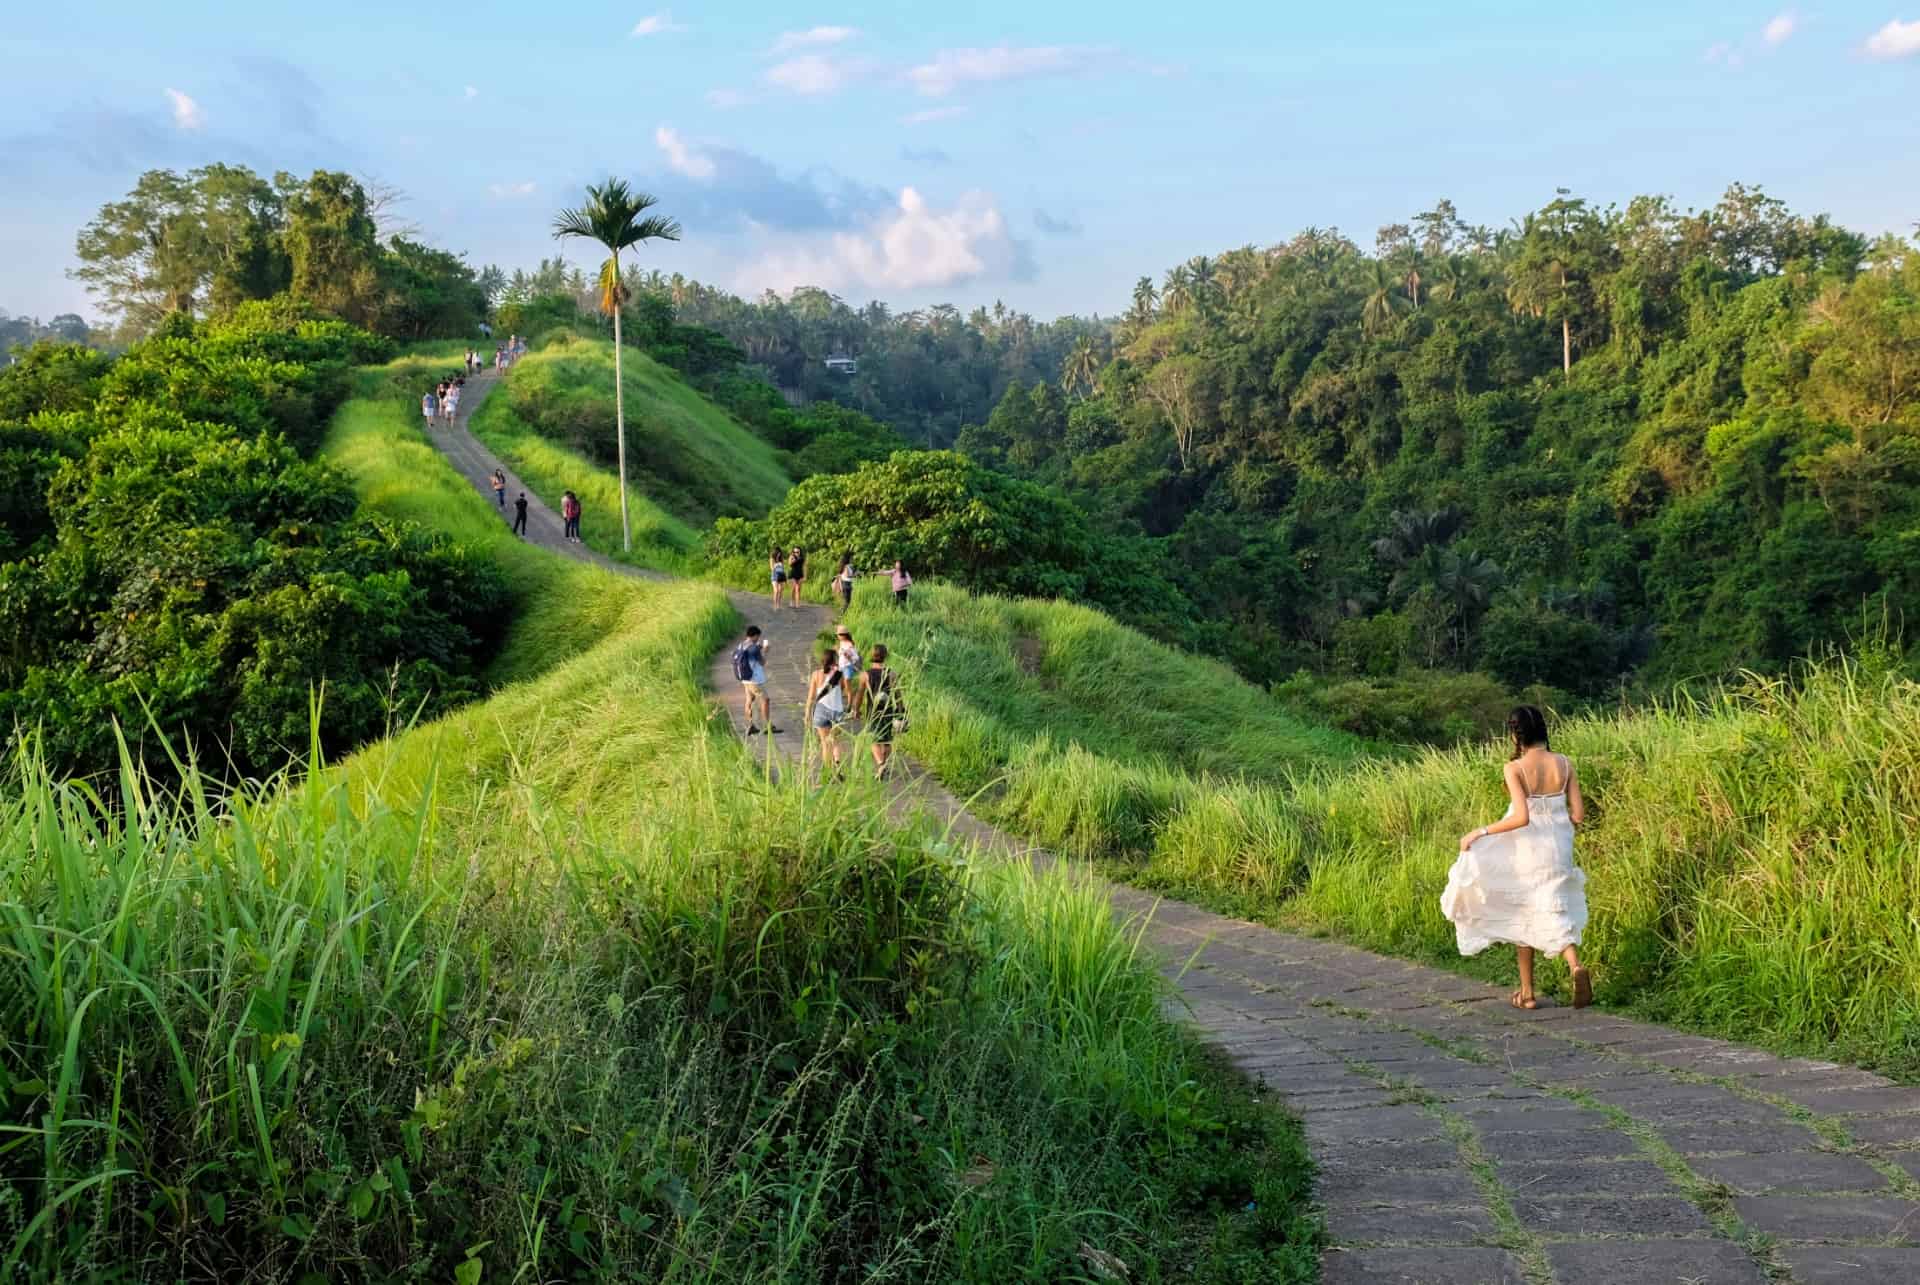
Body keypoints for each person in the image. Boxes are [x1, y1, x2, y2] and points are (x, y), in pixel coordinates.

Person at [1440, 706, 1592, 1010]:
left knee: (1526, 909)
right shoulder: (1564, 763)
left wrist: (1480, 831)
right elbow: (1578, 815)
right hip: (1559, 848)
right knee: (1549, 908)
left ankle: (1547, 983)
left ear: (1515, 734)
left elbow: (1521, 817)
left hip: (1528, 850)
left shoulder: (1516, 768)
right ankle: (1551, 980)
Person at [859, 643, 906, 778]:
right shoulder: (891, 673)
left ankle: (880, 764)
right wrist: (901, 710)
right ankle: (883, 764)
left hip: (872, 711)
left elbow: (860, 695)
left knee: (873, 740)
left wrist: (855, 709)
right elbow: (898, 695)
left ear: (871, 656)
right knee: (886, 741)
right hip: (888, 711)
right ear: (885, 656)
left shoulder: (865, 675)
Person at [806, 649, 850, 778]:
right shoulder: (839, 674)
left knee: (825, 743)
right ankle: (837, 766)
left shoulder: (816, 674)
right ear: (834, 660)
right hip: (837, 711)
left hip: (821, 711)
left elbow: (811, 697)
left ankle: (827, 772)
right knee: (836, 741)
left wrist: (807, 714)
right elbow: (843, 689)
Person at [732, 624, 782, 736]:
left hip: (745, 679)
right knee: (765, 700)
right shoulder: (754, 649)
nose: (758, 639)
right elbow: (762, 662)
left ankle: (750, 725)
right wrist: (765, 651)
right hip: (754, 680)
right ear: (755, 635)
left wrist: (760, 647)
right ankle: (767, 726)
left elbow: (752, 649)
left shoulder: (741, 645)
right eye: (758, 637)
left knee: (749, 700)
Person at [834, 626, 861, 690]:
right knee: (840, 685)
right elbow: (841, 655)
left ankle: (849, 699)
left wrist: (847, 655)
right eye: (838, 635)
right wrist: (837, 650)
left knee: (848, 688)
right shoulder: (841, 643)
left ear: (844, 635)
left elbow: (856, 657)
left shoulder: (850, 645)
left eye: (839, 635)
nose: (838, 636)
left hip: (847, 667)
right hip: (841, 666)